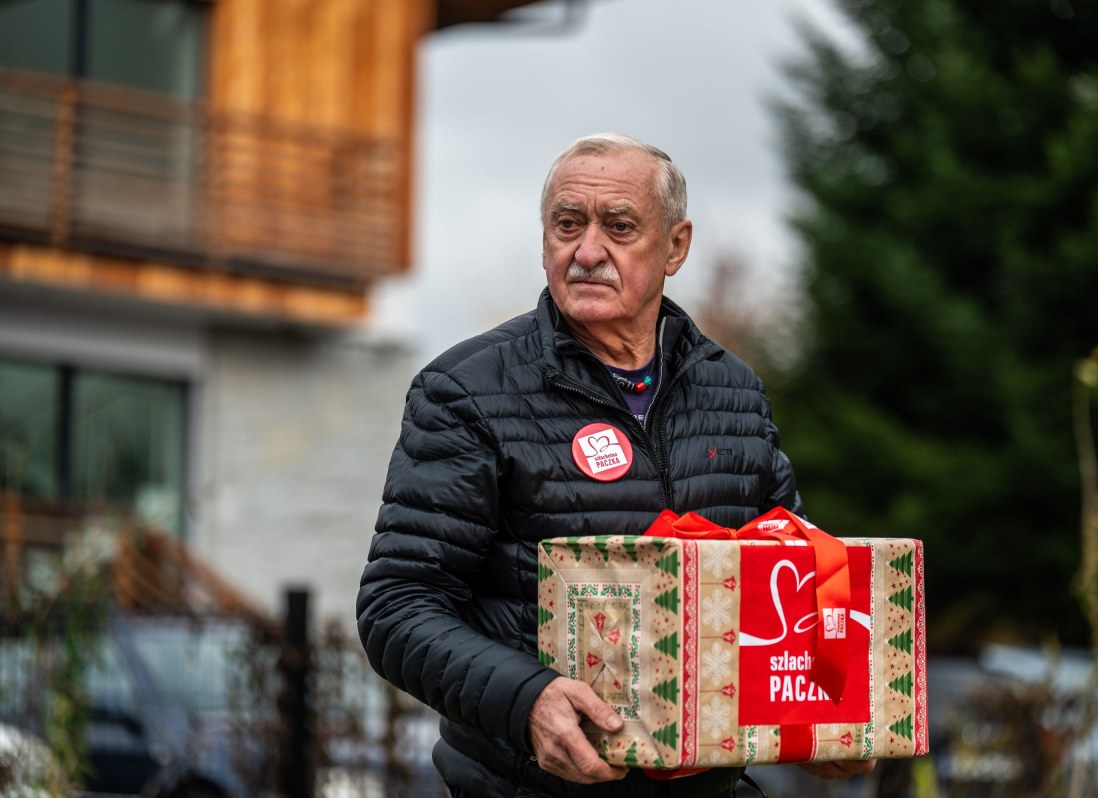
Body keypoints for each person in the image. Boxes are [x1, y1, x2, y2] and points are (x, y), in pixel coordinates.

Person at [357, 133, 875, 797]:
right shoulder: (466, 390)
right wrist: (529, 702)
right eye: (567, 225)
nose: (588, 251)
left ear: (676, 247)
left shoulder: (733, 390)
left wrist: (821, 717)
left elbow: (788, 576)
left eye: (619, 227)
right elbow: (397, 606)